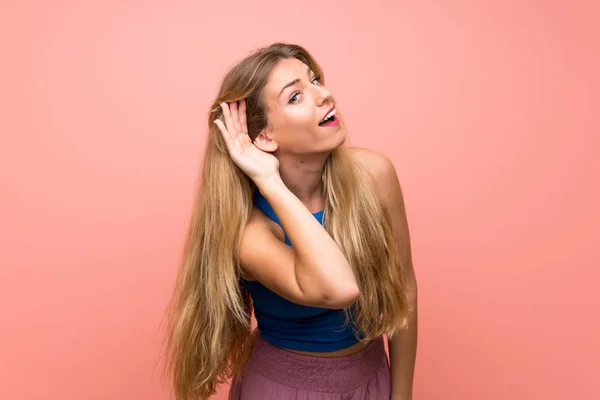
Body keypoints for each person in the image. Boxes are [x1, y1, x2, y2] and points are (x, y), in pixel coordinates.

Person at [163, 43, 418, 400]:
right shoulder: (248, 232)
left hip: (371, 379)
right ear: (265, 137)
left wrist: (402, 394)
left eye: (315, 81)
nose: (324, 94)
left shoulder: (375, 174)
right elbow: (338, 288)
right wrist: (269, 181)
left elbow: (403, 292)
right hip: (285, 389)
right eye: (296, 96)